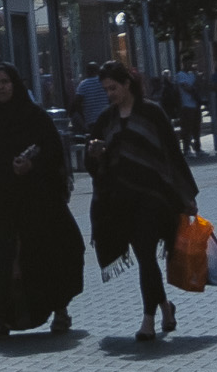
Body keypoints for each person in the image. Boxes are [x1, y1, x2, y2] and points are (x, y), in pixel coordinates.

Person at [0, 64, 88, 340]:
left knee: (48, 255)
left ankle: (59, 310)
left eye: (6, 81)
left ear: (15, 84)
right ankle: (0, 318)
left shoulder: (34, 116)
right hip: (3, 202)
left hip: (37, 200)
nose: (2, 87)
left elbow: (53, 150)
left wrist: (32, 164)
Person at [79, 57, 198, 336]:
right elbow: (94, 166)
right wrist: (95, 153)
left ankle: (148, 320)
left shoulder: (151, 113)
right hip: (121, 201)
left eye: (113, 88)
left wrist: (186, 195)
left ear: (127, 84)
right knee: (146, 258)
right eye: (106, 90)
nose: (110, 95)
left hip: (155, 199)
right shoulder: (106, 120)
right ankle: (166, 307)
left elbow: (171, 155)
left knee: (146, 255)